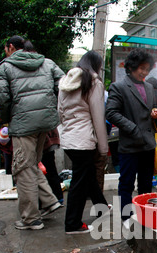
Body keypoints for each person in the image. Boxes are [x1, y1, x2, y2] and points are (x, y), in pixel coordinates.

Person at [0, 36, 64, 230]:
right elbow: (63, 85)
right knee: (31, 163)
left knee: (22, 168)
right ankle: (49, 201)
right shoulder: (47, 63)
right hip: (46, 123)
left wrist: (8, 118)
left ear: (10, 47)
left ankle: (30, 218)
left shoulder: (3, 68)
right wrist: (51, 110)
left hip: (23, 124)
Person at [105, 48, 157, 223]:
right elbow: (111, 113)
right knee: (127, 183)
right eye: (140, 68)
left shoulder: (149, 87)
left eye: (147, 69)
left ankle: (144, 216)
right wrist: (133, 128)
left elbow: (149, 110)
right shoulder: (118, 86)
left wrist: (155, 114)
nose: (143, 72)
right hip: (129, 144)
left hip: (148, 145)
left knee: (146, 184)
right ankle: (126, 218)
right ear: (131, 67)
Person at [58, 50, 109, 234]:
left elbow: (60, 112)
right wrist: (103, 148)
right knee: (80, 182)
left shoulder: (65, 81)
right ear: (96, 66)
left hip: (69, 139)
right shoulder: (93, 82)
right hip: (84, 140)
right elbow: (98, 117)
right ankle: (72, 224)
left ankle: (102, 207)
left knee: (86, 174)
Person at [42, 129, 63, 204]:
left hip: (46, 141)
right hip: (50, 139)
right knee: (51, 169)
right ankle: (58, 197)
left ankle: (56, 198)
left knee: (49, 170)